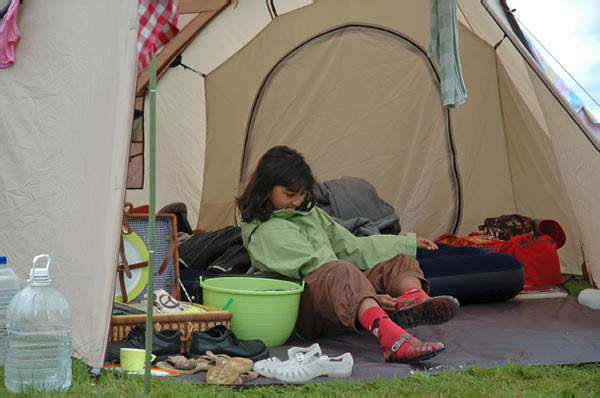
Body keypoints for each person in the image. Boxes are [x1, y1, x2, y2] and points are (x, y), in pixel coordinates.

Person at [236, 145, 459, 363]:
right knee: (339, 271)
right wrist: (365, 293)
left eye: (303, 194)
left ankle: (414, 300)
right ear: (265, 188)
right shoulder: (264, 230)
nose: (298, 201)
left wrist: (404, 243)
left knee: (400, 262)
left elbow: (350, 246)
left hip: (340, 288)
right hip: (301, 311)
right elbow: (320, 267)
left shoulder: (308, 213)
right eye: (290, 194)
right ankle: (392, 339)